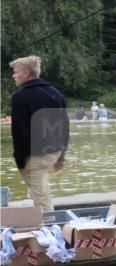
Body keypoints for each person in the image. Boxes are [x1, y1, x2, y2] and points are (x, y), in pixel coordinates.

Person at [9, 55, 69, 212]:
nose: (13, 75)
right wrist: (61, 157)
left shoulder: (19, 97)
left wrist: (20, 162)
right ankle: (40, 222)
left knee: (41, 199)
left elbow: (19, 133)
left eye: (16, 72)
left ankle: (49, 226)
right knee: (40, 191)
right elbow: (64, 127)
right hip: (54, 151)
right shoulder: (56, 94)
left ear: (26, 74)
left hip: (35, 155)